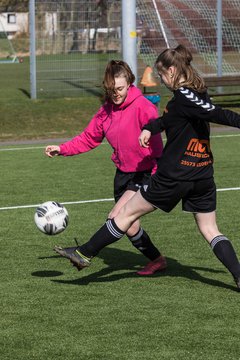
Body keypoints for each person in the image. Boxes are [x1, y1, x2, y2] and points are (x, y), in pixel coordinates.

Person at [55, 45, 240, 291]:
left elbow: (218, 114)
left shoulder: (186, 97)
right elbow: (173, 118)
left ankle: (84, 253)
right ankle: (238, 275)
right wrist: (152, 128)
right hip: (203, 174)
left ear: (172, 70)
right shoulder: (195, 94)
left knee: (124, 215)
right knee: (210, 229)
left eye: (162, 75)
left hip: (174, 176)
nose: (161, 80)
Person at [45, 59, 166, 275]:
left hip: (145, 172)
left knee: (116, 215)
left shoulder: (144, 108)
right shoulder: (106, 111)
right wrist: (62, 149)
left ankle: (84, 253)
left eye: (119, 88)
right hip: (123, 175)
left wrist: (157, 177)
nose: (116, 94)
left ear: (130, 83)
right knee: (130, 226)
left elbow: (157, 148)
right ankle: (157, 260)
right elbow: (88, 138)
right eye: (111, 90)